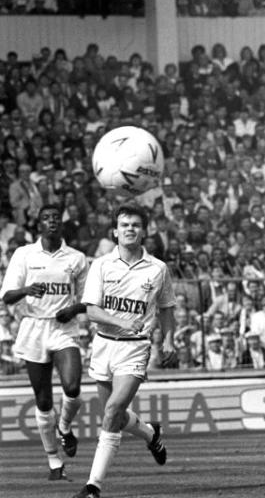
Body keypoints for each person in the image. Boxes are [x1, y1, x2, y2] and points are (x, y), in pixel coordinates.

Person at [70, 203, 176, 498]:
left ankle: (93, 486)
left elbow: (167, 308)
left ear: (144, 231)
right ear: (115, 231)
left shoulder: (158, 269)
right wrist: (120, 322)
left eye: (136, 225)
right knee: (113, 415)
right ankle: (151, 434)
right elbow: (91, 311)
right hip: (103, 345)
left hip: (135, 348)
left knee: (112, 411)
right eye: (125, 225)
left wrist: (168, 340)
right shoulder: (102, 264)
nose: (130, 229)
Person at [0, 204, 89, 481]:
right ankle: (54, 462)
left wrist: (73, 310)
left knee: (73, 387)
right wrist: (27, 289)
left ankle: (64, 427)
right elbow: (7, 296)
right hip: (33, 328)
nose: (51, 222)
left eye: (55, 218)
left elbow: (87, 300)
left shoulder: (76, 258)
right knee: (43, 399)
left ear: (61, 224)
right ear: (38, 225)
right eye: (45, 218)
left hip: (63, 328)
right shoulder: (24, 254)